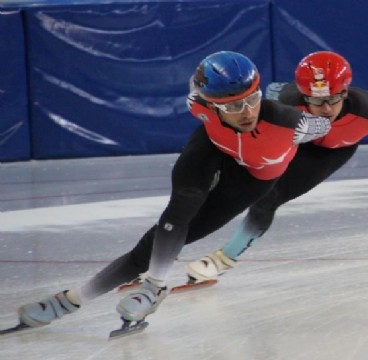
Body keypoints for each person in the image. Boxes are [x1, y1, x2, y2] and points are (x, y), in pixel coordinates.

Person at [13, 51, 332, 331]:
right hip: (213, 147)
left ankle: (139, 287)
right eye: (234, 106)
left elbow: (324, 125)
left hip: (254, 176)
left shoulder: (291, 123)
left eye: (252, 99)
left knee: (181, 234)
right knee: (178, 209)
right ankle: (87, 297)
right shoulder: (198, 104)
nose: (247, 112)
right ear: (211, 105)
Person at [183, 51, 368, 282]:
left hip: (329, 152)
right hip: (295, 137)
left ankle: (224, 259)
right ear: (303, 95)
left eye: (334, 98)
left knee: (269, 198)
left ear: (345, 92)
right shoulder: (286, 99)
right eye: (315, 100)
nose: (325, 109)